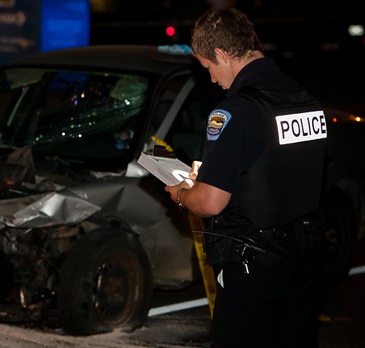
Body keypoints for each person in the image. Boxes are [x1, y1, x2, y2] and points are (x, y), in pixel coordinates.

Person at [164, 8, 327, 348]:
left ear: (222, 55)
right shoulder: (303, 99)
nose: (210, 79)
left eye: (208, 67)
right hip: (305, 256)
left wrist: (181, 193)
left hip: (255, 265)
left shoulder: (235, 111)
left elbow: (211, 202)